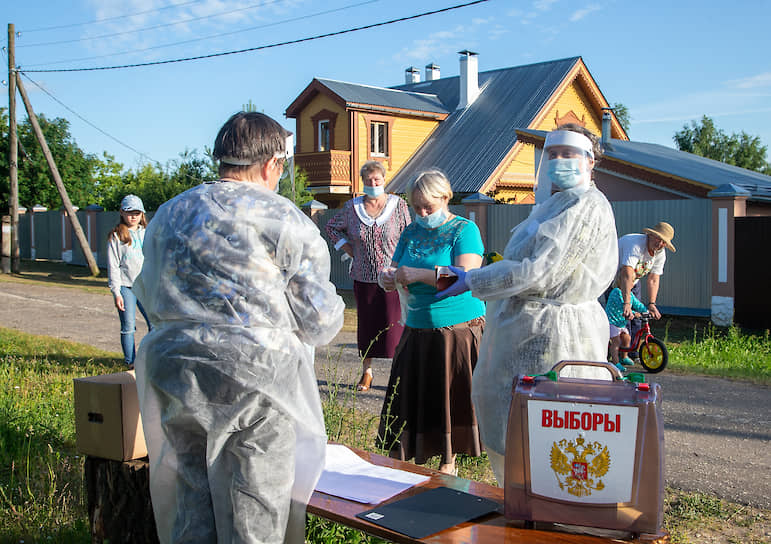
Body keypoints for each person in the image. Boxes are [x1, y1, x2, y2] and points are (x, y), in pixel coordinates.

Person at [133, 112, 344, 544]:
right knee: (256, 506)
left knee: (194, 500)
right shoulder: (284, 219)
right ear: (271, 164)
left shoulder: (171, 214)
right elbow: (319, 321)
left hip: (178, 374)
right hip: (258, 384)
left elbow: (150, 294)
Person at [437, 124, 618, 485]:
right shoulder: (553, 205)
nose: (559, 161)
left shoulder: (586, 206)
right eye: (553, 154)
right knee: (518, 421)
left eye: (569, 154)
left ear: (590, 161)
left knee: (553, 428)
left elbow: (540, 272)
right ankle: (520, 505)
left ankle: (548, 513)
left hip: (559, 331)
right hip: (529, 326)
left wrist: (475, 279)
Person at [376, 169, 485, 476]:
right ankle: (408, 457)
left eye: (429, 207)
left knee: (450, 396)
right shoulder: (411, 232)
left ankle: (448, 462)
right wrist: (387, 278)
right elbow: (395, 267)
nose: (423, 213)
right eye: (417, 207)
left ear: (445, 198)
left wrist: (421, 275)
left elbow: (465, 279)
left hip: (457, 330)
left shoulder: (465, 231)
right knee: (415, 394)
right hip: (417, 326)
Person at [325, 160, 411, 392]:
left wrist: (405, 266)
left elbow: (409, 234)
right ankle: (367, 373)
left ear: (384, 180)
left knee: (396, 327)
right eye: (368, 180)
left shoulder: (398, 205)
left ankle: (398, 375)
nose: (373, 184)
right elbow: (331, 227)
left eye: (377, 180)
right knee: (367, 327)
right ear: (363, 182)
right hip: (363, 277)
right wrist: (348, 248)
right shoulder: (352, 208)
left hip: (393, 278)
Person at [616, 222, 676, 359]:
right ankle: (620, 354)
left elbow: (653, 279)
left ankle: (634, 354)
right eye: (657, 238)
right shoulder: (635, 244)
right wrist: (626, 303)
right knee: (623, 318)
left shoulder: (660, 253)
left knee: (639, 316)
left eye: (663, 242)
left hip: (634, 282)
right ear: (649, 235)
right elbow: (626, 273)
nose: (660, 243)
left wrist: (652, 304)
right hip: (615, 280)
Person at [107, 194, 151, 369]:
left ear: (142, 214)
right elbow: (113, 266)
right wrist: (116, 292)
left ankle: (150, 359)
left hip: (146, 286)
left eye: (137, 213)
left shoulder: (148, 233)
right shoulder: (117, 236)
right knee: (128, 327)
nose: (133, 216)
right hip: (126, 287)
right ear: (122, 213)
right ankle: (130, 362)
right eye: (129, 212)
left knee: (155, 324)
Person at [605, 286, 647, 368]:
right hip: (612, 321)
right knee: (616, 342)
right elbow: (621, 305)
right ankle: (615, 362)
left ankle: (624, 357)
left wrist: (646, 310)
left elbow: (637, 304)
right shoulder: (616, 292)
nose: (632, 284)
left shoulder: (630, 294)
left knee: (627, 338)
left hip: (621, 323)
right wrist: (634, 313)